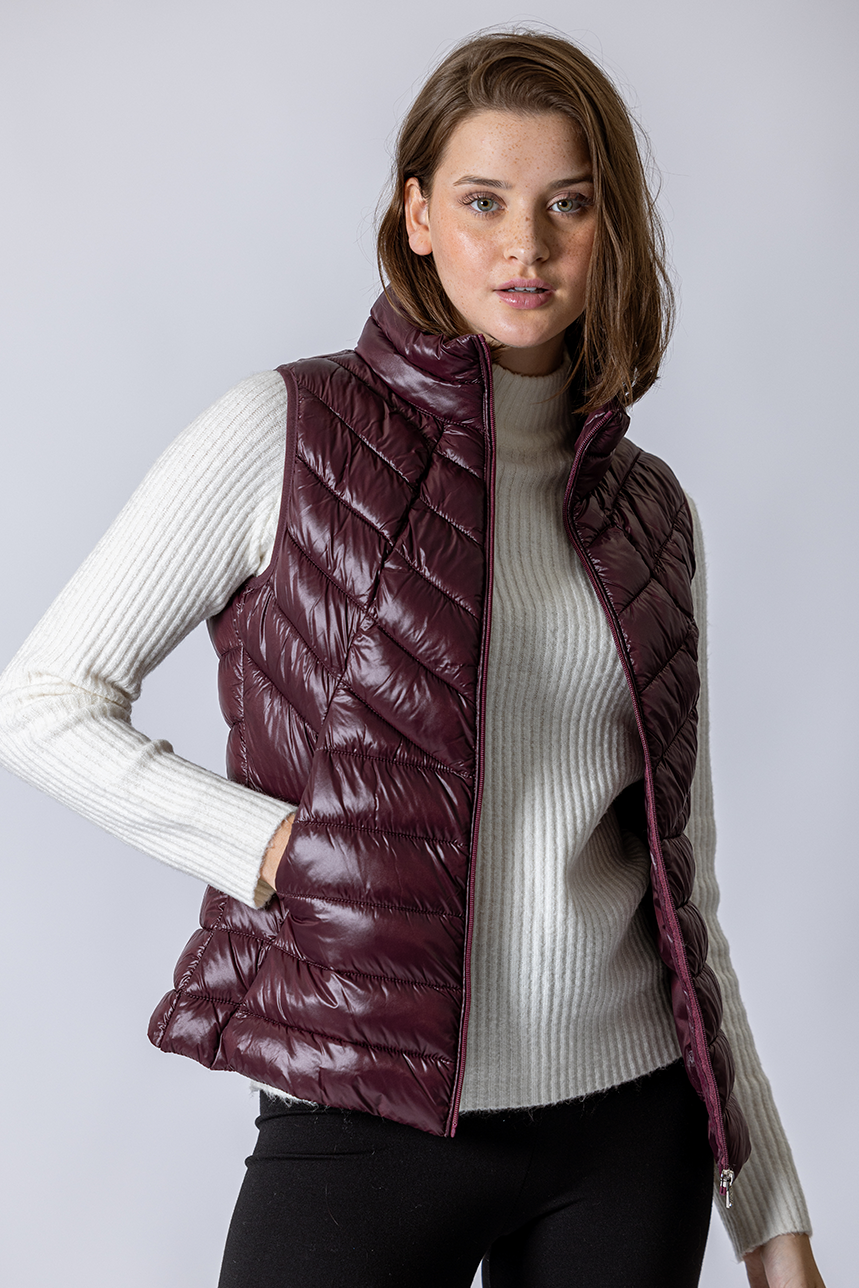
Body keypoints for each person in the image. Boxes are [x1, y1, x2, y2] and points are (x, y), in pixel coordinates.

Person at [0, 28, 827, 1288]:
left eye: (568, 203)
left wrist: (768, 1213)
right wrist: (273, 848)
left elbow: (683, 888)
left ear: (609, 227)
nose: (525, 245)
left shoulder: (650, 514)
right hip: (363, 1108)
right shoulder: (288, 433)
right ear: (418, 216)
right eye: (483, 201)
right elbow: (42, 701)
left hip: (630, 1129)